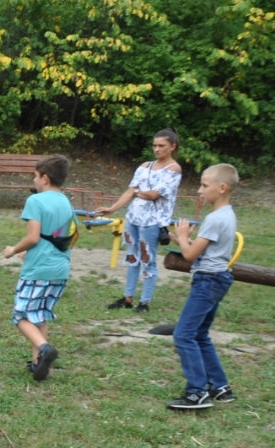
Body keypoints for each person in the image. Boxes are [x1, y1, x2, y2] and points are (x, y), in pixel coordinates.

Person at [165, 164, 239, 411]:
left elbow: (190, 255)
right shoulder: (227, 214)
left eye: (204, 185)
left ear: (222, 188)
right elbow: (202, 249)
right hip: (218, 278)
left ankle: (197, 392)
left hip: (207, 280)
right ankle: (220, 386)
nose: (199, 190)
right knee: (199, 334)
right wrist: (182, 239)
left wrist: (183, 236)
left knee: (184, 334)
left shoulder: (214, 218)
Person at [1, 155, 74, 381]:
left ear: (45, 178)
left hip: (38, 269)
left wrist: (13, 250)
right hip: (60, 269)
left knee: (20, 316)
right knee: (40, 315)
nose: (33, 180)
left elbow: (32, 237)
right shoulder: (66, 201)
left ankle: (44, 348)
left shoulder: (36, 201)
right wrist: (32, 250)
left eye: (35, 176)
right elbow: (68, 236)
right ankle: (38, 364)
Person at [96, 129, 183, 313]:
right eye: (154, 145)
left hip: (152, 222)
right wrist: (112, 208)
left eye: (161, 146)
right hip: (133, 218)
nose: (157, 149)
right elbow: (130, 191)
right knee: (132, 257)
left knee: (147, 259)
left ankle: (144, 302)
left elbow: (154, 194)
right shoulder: (145, 166)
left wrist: (137, 192)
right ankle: (128, 298)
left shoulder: (174, 169)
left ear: (172, 147)